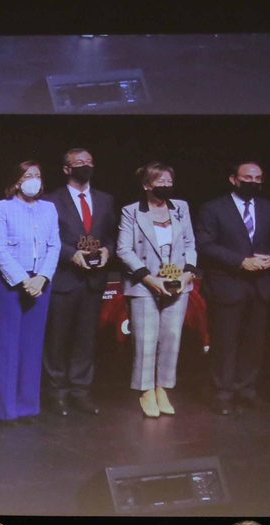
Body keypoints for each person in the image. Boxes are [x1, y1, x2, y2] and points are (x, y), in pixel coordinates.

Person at [196, 161, 270, 415]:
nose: (253, 181)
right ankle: (223, 393)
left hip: (261, 285)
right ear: (234, 179)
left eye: (258, 177)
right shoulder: (213, 208)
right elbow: (205, 244)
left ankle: (247, 391)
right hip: (227, 284)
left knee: (254, 343)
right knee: (225, 343)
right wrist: (241, 262)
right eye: (247, 177)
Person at [117, 162, 197, 419]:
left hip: (178, 283)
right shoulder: (131, 211)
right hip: (145, 283)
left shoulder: (181, 208)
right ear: (146, 185)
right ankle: (145, 390)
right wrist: (150, 279)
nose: (165, 185)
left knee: (172, 336)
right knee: (145, 339)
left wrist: (187, 275)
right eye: (159, 181)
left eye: (168, 180)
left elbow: (190, 244)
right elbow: (123, 249)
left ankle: (163, 387)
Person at [43, 147, 117, 417]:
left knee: (85, 340)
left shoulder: (105, 199)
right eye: (79, 162)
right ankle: (57, 393)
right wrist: (71, 254)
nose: (85, 166)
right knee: (57, 339)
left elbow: (110, 235)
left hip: (93, 281)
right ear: (66, 169)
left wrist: (109, 249)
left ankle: (80, 391)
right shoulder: (50, 201)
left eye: (89, 161)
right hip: (64, 278)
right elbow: (48, 239)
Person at [0, 160, 61, 422]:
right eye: (28, 175)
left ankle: (28, 407)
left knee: (33, 345)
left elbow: (54, 246)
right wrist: (23, 280)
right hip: (10, 283)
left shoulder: (48, 209)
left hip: (40, 283)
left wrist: (41, 277)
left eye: (38, 175)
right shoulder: (2, 208)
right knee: (8, 345)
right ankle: (6, 410)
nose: (34, 179)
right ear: (17, 180)